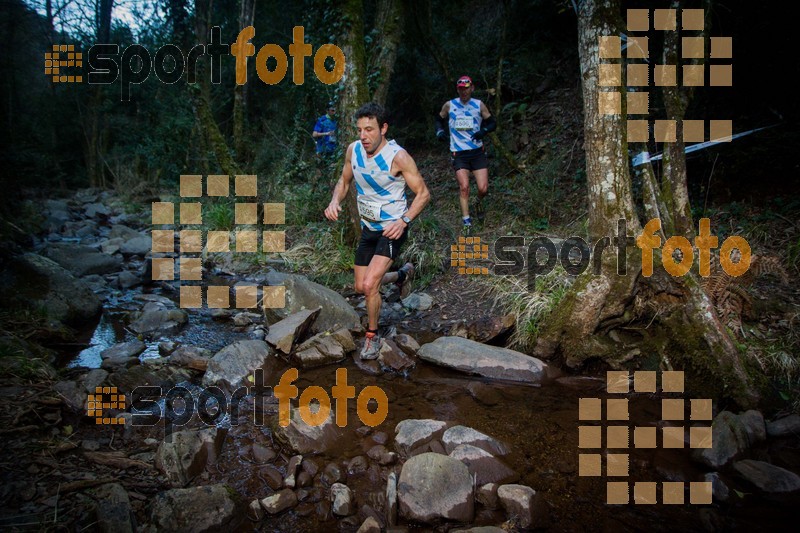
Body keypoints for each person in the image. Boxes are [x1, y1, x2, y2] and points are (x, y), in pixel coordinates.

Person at [324, 103, 431, 360]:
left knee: (371, 285)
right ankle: (401, 275)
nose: (363, 136)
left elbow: (424, 193)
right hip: (369, 228)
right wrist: (334, 201)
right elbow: (344, 180)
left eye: (369, 129)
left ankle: (372, 337)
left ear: (383, 128)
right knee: (361, 286)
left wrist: (404, 220)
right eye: (360, 129)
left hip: (392, 230)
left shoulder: (398, 157)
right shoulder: (353, 150)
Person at [435, 76, 496, 233]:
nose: (464, 91)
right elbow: (439, 118)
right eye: (461, 88)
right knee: (464, 187)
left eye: (466, 88)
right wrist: (439, 131)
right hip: (459, 153)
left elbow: (492, 123)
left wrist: (483, 131)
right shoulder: (450, 105)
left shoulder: (478, 105)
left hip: (477, 152)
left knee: (483, 188)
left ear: (472, 88)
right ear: (458, 90)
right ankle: (467, 222)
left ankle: (477, 202)